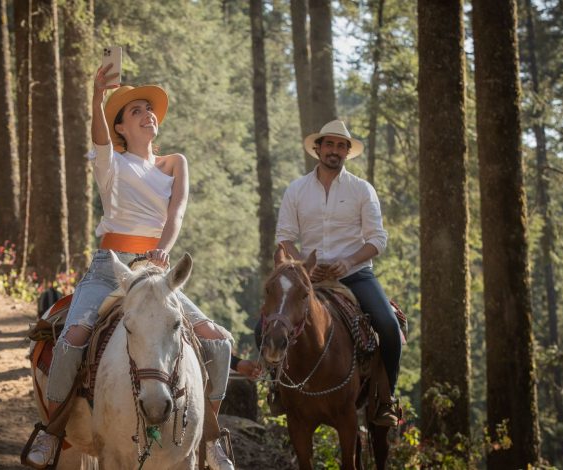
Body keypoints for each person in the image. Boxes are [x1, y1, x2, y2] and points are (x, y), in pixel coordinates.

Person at [23, 65, 235, 470]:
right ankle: (52, 434)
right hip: (109, 268)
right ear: (120, 126)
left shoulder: (174, 163)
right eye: (136, 110)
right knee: (72, 338)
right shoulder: (112, 163)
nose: (148, 114)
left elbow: (176, 214)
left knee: (217, 342)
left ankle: (211, 436)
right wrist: (97, 96)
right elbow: (98, 137)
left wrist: (162, 251)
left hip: (156, 274)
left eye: (150, 109)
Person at [274, 119, 401, 426]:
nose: (334, 150)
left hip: (355, 273)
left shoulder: (361, 189)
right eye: (329, 144)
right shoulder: (297, 189)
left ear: (347, 152)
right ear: (318, 148)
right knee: (266, 324)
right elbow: (285, 237)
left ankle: (386, 400)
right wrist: (305, 265)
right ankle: (278, 390)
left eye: (341, 145)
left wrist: (349, 261)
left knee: (388, 325)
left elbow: (377, 239)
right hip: (310, 277)